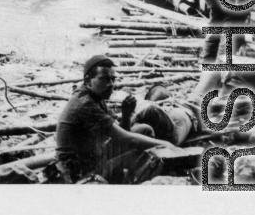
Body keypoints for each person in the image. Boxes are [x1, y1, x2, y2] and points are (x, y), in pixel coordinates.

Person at [54, 55, 174, 183]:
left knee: (144, 130)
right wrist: (165, 144)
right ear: (88, 81)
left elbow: (122, 133)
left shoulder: (96, 96)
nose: (111, 85)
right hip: (79, 172)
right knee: (147, 156)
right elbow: (126, 138)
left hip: (94, 157)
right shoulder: (85, 104)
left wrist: (126, 115)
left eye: (112, 79)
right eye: (105, 79)